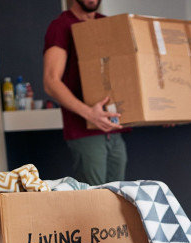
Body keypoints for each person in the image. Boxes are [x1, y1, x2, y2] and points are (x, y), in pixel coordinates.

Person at [43, 0, 127, 185]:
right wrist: (90, 113)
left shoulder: (106, 24)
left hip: (113, 128)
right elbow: (50, 82)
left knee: (119, 197)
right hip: (85, 131)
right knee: (93, 199)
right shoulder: (61, 26)